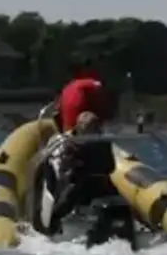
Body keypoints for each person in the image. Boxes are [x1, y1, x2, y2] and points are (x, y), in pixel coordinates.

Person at [31, 78, 127, 240]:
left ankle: (51, 227)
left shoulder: (70, 143)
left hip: (81, 185)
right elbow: (109, 167)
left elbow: (68, 169)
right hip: (95, 184)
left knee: (65, 199)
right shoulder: (99, 143)